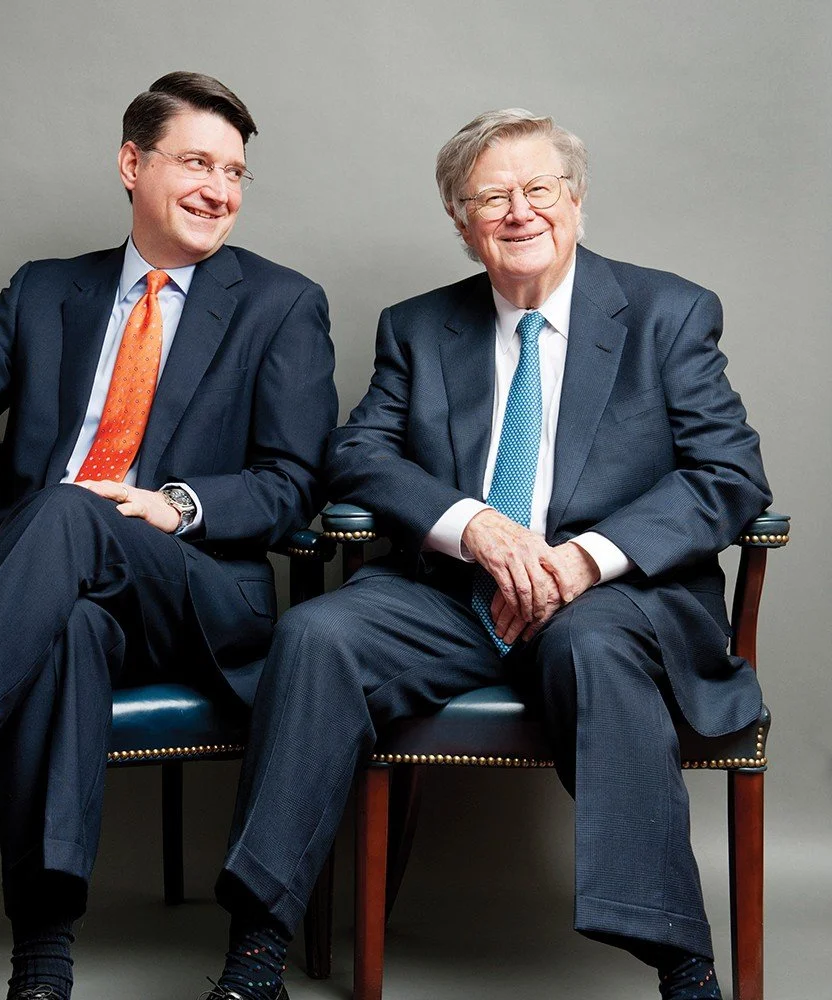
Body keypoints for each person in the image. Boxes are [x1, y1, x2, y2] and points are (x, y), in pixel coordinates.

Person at [209, 110, 769, 1000]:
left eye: (538, 189)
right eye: (491, 197)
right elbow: (357, 452)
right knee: (316, 636)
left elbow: (730, 474)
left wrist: (581, 562)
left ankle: (683, 967)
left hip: (610, 600)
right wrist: (473, 525)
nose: (519, 213)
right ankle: (256, 953)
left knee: (590, 643)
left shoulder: (668, 313)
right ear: (462, 224)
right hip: (453, 596)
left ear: (576, 201)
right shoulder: (420, 327)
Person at [0, 71, 337, 1000]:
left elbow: (293, 481)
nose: (219, 189)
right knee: (63, 627)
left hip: (193, 593)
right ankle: (42, 969)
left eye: (235, 173)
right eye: (197, 162)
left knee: (69, 505)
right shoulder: (46, 292)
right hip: (51, 594)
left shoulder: (280, 304)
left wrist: (179, 504)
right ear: (130, 163)